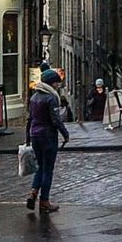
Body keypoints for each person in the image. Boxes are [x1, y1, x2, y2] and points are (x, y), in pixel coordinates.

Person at [25, 69, 69, 214]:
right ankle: (44, 201)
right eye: (56, 82)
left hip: (35, 135)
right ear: (51, 83)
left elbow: (29, 119)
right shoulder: (51, 98)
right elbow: (55, 119)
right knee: (48, 169)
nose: (57, 85)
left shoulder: (34, 97)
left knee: (40, 167)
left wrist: (27, 138)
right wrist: (65, 133)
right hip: (48, 136)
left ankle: (33, 193)